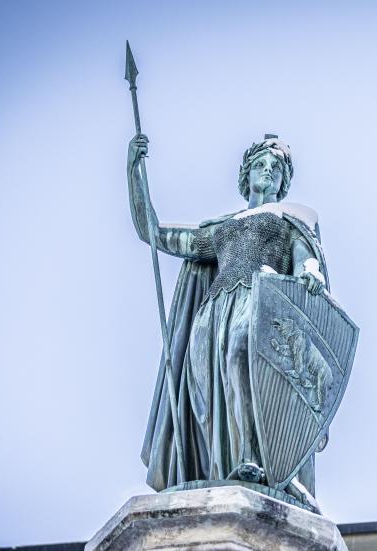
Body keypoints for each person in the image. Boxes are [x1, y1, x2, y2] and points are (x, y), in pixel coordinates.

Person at [127, 133, 329, 498]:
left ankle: (253, 458)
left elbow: (305, 256)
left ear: (284, 182)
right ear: (246, 174)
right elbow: (153, 233)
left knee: (241, 358)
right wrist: (134, 172)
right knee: (205, 396)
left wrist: (311, 271)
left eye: (276, 169)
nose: (267, 173)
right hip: (213, 314)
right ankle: (219, 467)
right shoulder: (220, 228)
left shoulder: (292, 217)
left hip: (261, 302)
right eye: (260, 165)